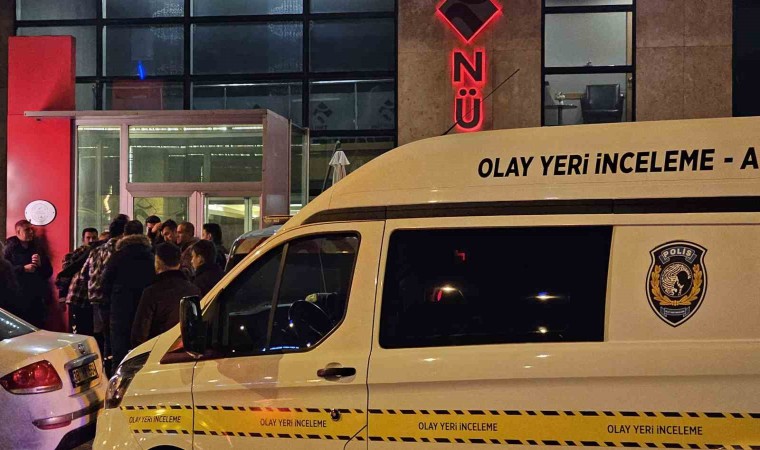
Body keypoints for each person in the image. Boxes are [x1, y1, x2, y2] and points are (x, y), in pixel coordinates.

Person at [69, 214, 129, 371]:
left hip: (94, 300)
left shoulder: (96, 250)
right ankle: (111, 371)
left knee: (100, 338)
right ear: (124, 233)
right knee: (112, 339)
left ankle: (100, 369)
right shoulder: (120, 251)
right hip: (111, 300)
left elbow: (83, 275)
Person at [102, 220, 155, 366]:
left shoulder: (117, 256)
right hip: (144, 310)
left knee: (119, 355)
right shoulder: (151, 256)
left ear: (124, 235)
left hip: (120, 311)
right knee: (143, 354)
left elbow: (105, 283)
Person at [131, 243, 200, 347]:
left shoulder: (152, 292)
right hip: (185, 350)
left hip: (158, 350)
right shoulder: (193, 290)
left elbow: (140, 333)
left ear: (157, 261)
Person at [3, 220, 53, 327]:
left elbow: (48, 272)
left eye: (31, 229)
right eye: (27, 230)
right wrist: (23, 269)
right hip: (17, 296)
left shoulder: (37, 248)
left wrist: (41, 264)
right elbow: (5, 271)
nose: (31, 232)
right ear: (18, 232)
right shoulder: (9, 249)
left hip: (36, 297)